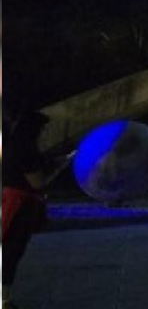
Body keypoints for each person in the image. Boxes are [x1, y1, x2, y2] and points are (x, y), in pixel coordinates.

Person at [3, 107, 71, 307]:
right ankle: (4, 300)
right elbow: (38, 182)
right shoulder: (25, 149)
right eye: (42, 129)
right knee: (10, 251)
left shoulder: (11, 145)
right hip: (18, 206)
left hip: (9, 200)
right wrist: (58, 168)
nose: (44, 133)